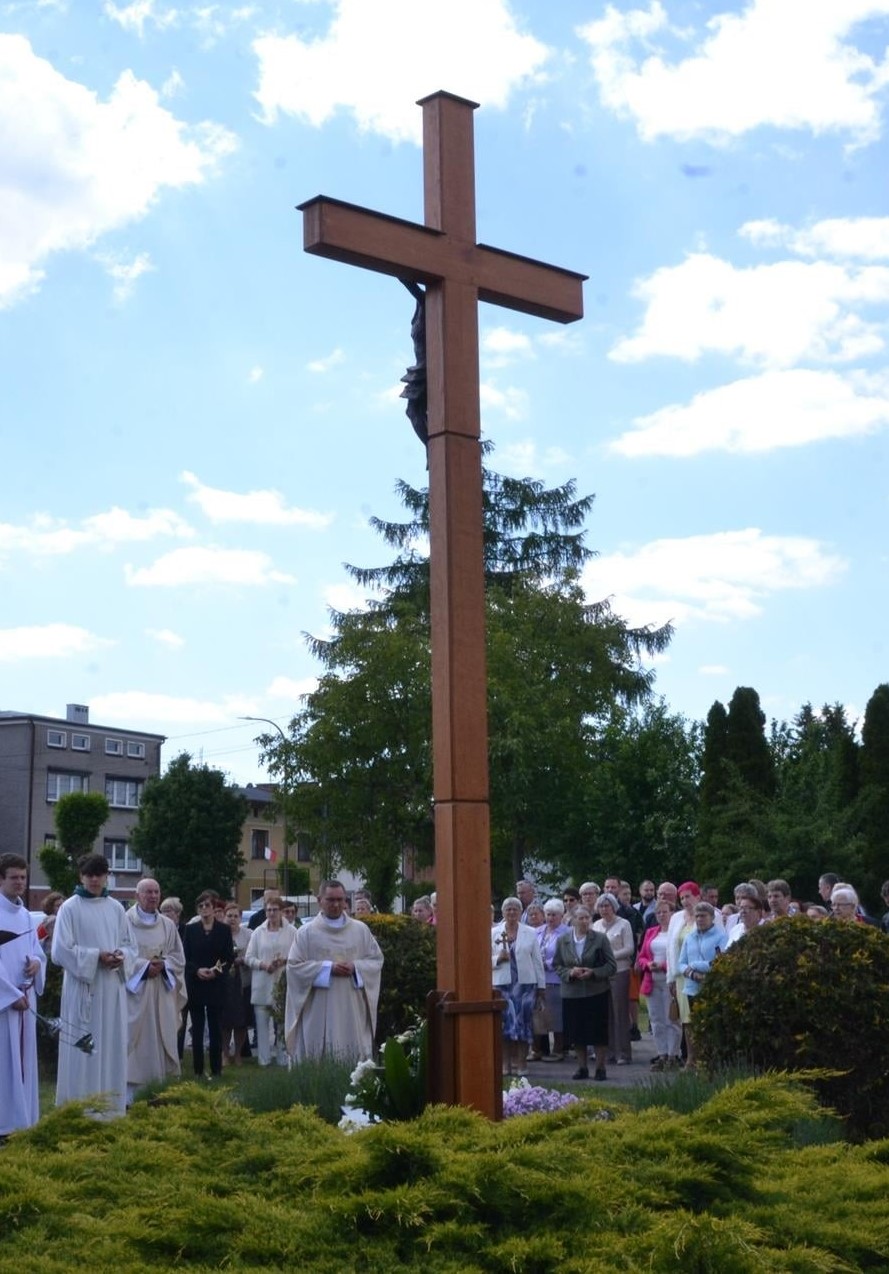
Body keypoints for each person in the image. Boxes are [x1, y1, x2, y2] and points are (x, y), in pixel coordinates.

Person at [52, 854, 137, 1117]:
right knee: (83, 1050)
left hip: (111, 989)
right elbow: (60, 951)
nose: (94, 880)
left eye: (99, 874)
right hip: (84, 990)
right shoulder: (70, 908)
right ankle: (81, 1110)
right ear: (81, 876)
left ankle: (110, 1111)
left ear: (106, 876)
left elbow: (130, 945)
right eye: (89, 875)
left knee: (110, 1047)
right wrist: (96, 957)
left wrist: (121, 956)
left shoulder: (116, 908)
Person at [285, 880, 383, 1063]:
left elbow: (376, 961)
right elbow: (294, 967)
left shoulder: (360, 930)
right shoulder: (306, 933)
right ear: (319, 900)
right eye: (330, 900)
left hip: (352, 1007)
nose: (336, 904)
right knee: (319, 1059)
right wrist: (327, 968)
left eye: (340, 899)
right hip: (318, 1007)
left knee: (353, 1058)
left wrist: (356, 967)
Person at [124, 877, 187, 1101]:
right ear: (137, 896)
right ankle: (131, 1095)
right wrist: (144, 967)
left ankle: (161, 1089)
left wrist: (164, 965)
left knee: (162, 1037)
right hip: (135, 993)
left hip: (161, 990)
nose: (153, 896)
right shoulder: (125, 922)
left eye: (156, 892)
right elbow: (120, 954)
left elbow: (178, 957)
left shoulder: (167, 925)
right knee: (135, 1042)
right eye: (148, 892)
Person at [0, 853, 46, 1136]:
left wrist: (37, 963)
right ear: (1, 879)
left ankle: (22, 1120)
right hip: (6, 1004)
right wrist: (9, 995)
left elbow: (37, 951)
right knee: (4, 1064)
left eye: (23, 877)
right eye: (14, 877)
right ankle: (4, 1123)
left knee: (23, 1063)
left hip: (25, 999)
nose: (20, 882)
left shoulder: (27, 915)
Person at [553, 905, 616, 1081]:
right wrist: (570, 973)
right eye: (580, 918)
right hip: (572, 993)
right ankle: (582, 1067)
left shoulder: (600, 939)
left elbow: (611, 966)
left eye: (587, 918)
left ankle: (600, 1068)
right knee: (577, 1032)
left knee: (598, 1032)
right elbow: (557, 965)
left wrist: (593, 972)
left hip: (596, 992)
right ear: (572, 920)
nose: (584, 921)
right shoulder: (563, 940)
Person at [182, 890, 235, 1079]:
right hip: (196, 984)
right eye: (201, 906)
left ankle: (216, 1070)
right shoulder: (190, 930)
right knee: (197, 1029)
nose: (204, 909)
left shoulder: (223, 930)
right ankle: (198, 1070)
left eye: (207, 905)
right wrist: (197, 970)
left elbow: (228, 957)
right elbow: (185, 958)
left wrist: (215, 970)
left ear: (214, 908)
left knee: (215, 1029)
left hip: (216, 984)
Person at [492, 896, 545, 1075]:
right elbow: (484, 958)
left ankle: (522, 1063)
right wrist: (498, 958)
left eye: (515, 909)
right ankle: (505, 1064)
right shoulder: (494, 932)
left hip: (525, 986)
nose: (512, 912)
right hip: (502, 986)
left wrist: (541, 987)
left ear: (521, 912)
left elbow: (537, 961)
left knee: (524, 1024)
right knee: (504, 1024)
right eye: (508, 909)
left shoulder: (530, 932)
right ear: (503, 912)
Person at [245, 896, 294, 1066]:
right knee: (262, 1025)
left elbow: (298, 955)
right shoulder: (258, 932)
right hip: (262, 984)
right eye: (269, 910)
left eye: (275, 909)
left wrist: (285, 961)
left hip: (283, 983)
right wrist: (263, 965)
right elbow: (248, 958)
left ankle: (282, 1058)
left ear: (281, 911)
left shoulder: (292, 931)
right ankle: (263, 1059)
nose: (272, 913)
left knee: (281, 1025)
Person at [635, 897, 681, 1071]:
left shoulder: (676, 932)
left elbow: (679, 957)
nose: (662, 915)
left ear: (672, 913)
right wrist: (648, 964)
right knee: (656, 1019)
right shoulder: (651, 932)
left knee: (672, 1019)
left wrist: (662, 965)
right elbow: (642, 957)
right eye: (659, 912)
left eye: (665, 912)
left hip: (670, 980)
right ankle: (661, 1054)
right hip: (651, 980)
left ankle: (673, 1055)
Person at [677, 900, 723, 1070]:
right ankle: (695, 1060)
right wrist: (691, 973)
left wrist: (696, 965)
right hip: (692, 987)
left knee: (710, 1025)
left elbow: (719, 962)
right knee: (694, 1025)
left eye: (703, 916)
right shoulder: (690, 937)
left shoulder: (720, 937)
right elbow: (681, 963)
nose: (699, 919)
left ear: (712, 917)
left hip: (711, 987)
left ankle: (711, 1061)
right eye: (697, 916)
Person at [593, 892, 634, 1065]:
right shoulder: (596, 925)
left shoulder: (624, 924)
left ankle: (623, 1052)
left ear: (614, 907)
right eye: (601, 906)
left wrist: (609, 956)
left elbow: (629, 948)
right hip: (601, 974)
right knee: (604, 1013)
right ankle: (608, 1051)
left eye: (607, 906)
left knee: (620, 1012)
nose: (604, 909)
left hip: (619, 971)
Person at [535, 898, 570, 1062]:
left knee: (556, 1015)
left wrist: (547, 963)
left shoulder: (567, 932)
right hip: (538, 979)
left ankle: (558, 1049)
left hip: (556, 978)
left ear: (561, 916)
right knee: (538, 1014)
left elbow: (566, 955)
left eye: (554, 915)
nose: (550, 918)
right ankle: (538, 1049)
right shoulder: (537, 931)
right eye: (548, 914)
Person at [221, 900, 252, 1066]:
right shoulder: (219, 933)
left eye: (235, 916)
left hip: (243, 982)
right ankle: (225, 1053)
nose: (232, 919)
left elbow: (253, 954)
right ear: (224, 917)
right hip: (224, 982)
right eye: (229, 916)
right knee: (225, 1022)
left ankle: (238, 1053)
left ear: (240, 918)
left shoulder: (249, 934)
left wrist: (243, 959)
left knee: (241, 1021)